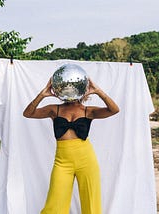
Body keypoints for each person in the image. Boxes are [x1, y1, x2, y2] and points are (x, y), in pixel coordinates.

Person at [23, 78, 119, 214]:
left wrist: (97, 91)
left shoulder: (88, 111)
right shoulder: (54, 110)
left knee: (92, 204)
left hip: (87, 160)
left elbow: (114, 109)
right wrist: (42, 94)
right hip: (62, 162)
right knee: (54, 205)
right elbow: (28, 113)